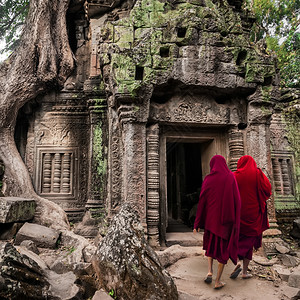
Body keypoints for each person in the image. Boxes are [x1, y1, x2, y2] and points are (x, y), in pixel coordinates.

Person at [193, 155, 241, 290]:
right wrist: (236, 219)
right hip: (225, 222)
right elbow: (237, 199)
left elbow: (202, 201)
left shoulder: (208, 179)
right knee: (222, 251)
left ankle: (209, 271)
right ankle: (218, 281)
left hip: (210, 221)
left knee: (210, 247)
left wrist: (197, 222)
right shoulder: (230, 177)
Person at [230, 155, 271, 280]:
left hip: (238, 214)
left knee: (239, 239)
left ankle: (237, 261)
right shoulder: (258, 173)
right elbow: (268, 189)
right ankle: (244, 271)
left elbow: (228, 194)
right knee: (250, 240)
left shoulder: (234, 175)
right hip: (254, 214)